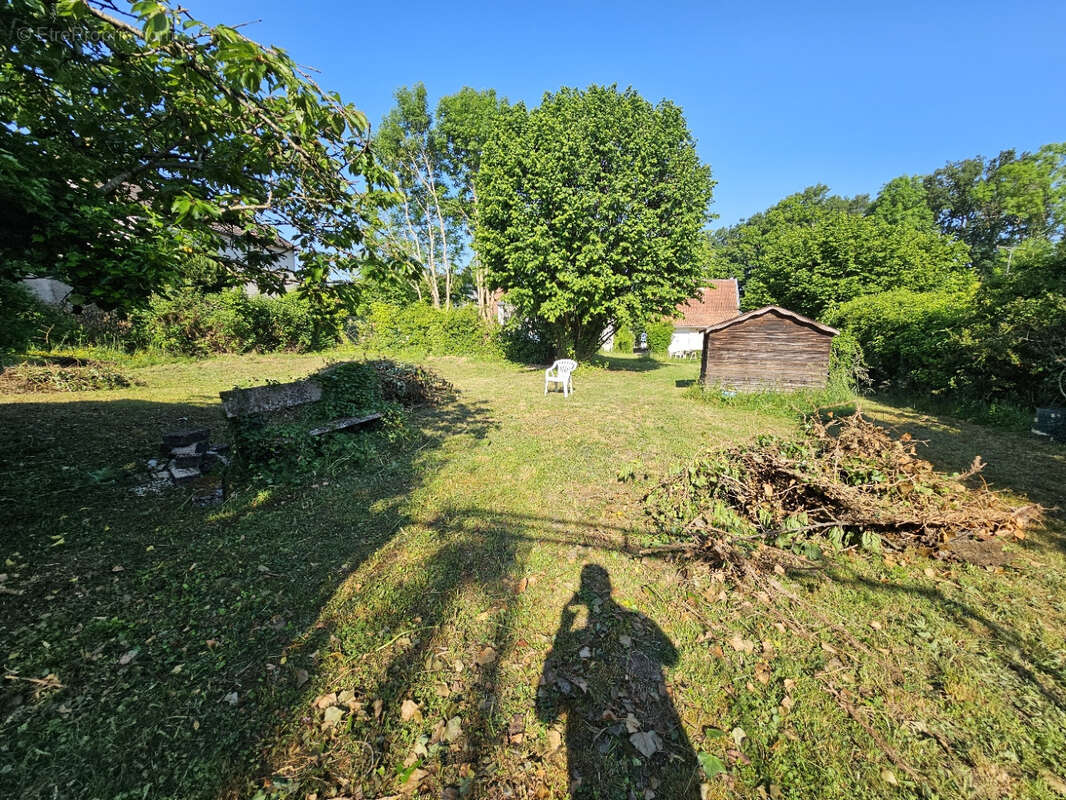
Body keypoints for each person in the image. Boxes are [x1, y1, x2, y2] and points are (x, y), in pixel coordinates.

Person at [537, 564, 699, 799]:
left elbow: (544, 714)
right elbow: (672, 658)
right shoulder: (639, 619)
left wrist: (564, 628)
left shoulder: (626, 622)